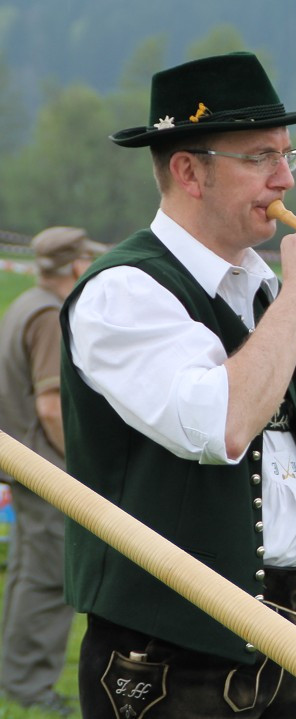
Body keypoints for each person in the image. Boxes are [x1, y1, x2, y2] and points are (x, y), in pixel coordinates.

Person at [60, 52, 296, 718]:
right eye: (262, 156)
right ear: (189, 171)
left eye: (291, 155)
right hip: (169, 653)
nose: (285, 179)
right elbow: (222, 424)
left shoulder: (263, 290)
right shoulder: (123, 291)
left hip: (291, 636)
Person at [0, 227, 107, 715]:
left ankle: (15, 681)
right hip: (46, 468)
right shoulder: (48, 314)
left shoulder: (26, 302)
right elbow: (49, 406)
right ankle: (30, 690)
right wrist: (79, 468)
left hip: (23, 462)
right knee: (46, 583)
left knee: (26, 575)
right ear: (73, 266)